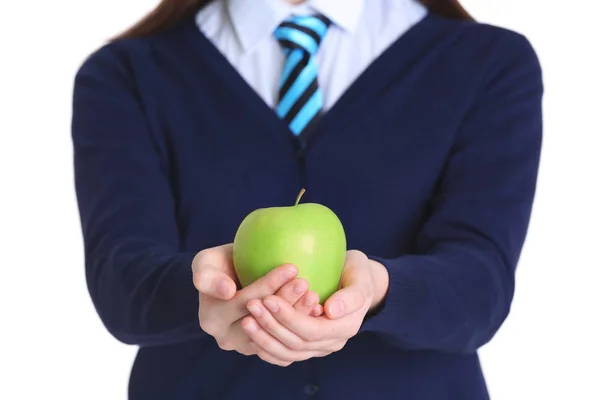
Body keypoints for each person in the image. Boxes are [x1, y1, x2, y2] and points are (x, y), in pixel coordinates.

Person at [71, 0, 543, 398]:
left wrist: (378, 290)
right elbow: (120, 282)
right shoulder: (125, 74)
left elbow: (482, 285)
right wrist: (205, 291)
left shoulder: (488, 62)